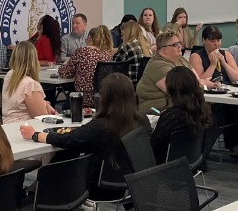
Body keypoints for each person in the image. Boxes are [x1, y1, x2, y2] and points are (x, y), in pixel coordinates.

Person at [22, 73, 150, 186]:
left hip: (98, 185)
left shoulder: (100, 126)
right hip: (133, 182)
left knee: (67, 153)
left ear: (105, 97)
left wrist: (36, 135)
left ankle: (42, 190)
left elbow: (69, 139)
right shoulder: (142, 120)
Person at [148, 66, 214, 162]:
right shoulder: (202, 110)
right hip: (193, 161)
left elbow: (153, 146)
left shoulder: (171, 116)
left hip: (167, 165)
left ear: (171, 89)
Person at [59, 24, 116, 111]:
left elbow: (65, 73)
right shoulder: (107, 55)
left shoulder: (81, 52)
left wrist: (65, 64)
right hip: (103, 99)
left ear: (89, 37)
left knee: (65, 106)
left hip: (84, 99)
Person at [136, 30, 192, 112]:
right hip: (155, 112)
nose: (180, 46)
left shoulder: (180, 59)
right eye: (175, 45)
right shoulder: (157, 65)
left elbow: (195, 80)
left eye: (179, 43)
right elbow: (176, 90)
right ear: (164, 50)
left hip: (174, 108)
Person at [3, 40, 58, 123]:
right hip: (27, 128)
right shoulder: (29, 84)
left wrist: (45, 104)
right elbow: (43, 118)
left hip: (7, 126)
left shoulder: (9, 75)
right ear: (34, 59)